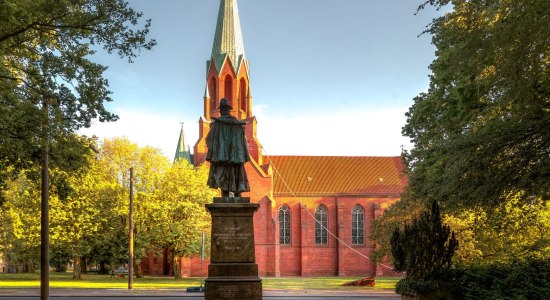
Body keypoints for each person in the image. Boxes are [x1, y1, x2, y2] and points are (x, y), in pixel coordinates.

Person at [206, 98, 250, 197]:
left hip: (221, 159)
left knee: (223, 177)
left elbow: (209, 140)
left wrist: (219, 152)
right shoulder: (237, 124)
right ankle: (238, 196)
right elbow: (243, 142)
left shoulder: (216, 124)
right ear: (229, 110)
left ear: (221, 111)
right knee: (237, 175)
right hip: (236, 158)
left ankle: (225, 196)